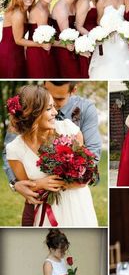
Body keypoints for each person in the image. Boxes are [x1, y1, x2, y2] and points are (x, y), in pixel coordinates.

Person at [3, 81, 102, 226]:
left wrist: (65, 181)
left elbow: (85, 175)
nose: (55, 112)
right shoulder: (14, 149)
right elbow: (26, 189)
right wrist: (37, 184)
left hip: (77, 205)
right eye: (49, 108)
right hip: (44, 211)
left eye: (54, 107)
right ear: (33, 113)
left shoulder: (69, 130)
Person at [89, 0, 129, 79]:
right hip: (108, 40)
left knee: (124, 65)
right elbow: (98, 21)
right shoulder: (101, 1)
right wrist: (108, 28)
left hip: (122, 39)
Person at [0, 0, 36, 77]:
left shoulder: (25, 11)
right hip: (10, 54)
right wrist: (40, 44)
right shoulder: (18, 14)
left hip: (18, 52)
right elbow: (18, 40)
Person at [26, 0, 56, 78]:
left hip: (43, 48)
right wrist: (65, 44)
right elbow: (45, 40)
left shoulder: (46, 5)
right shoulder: (40, 11)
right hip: (38, 52)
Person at [51, 0, 81, 78]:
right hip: (65, 49)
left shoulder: (75, 1)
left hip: (73, 46)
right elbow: (67, 38)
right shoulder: (61, 8)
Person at [75, 0, 101, 78]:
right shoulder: (84, 0)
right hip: (88, 41)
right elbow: (78, 25)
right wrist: (92, 39)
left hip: (98, 37)